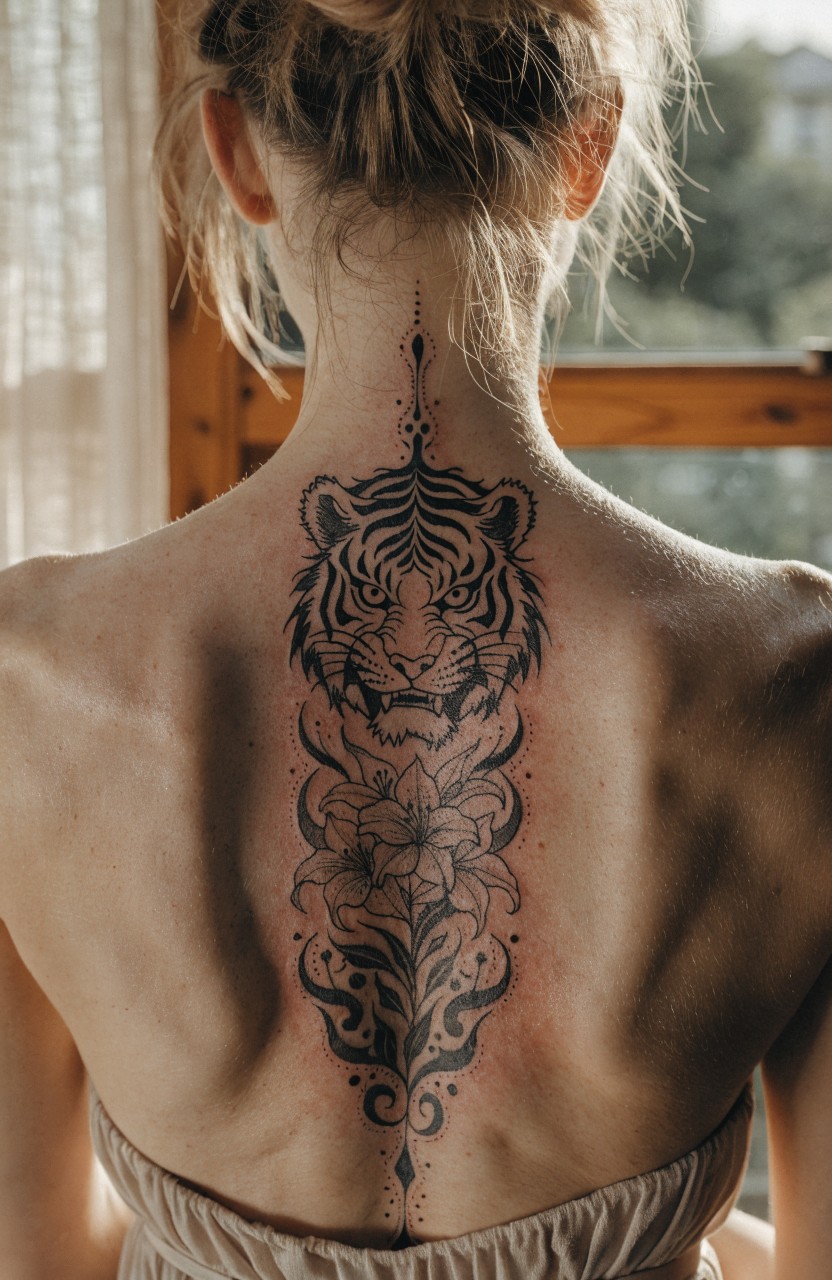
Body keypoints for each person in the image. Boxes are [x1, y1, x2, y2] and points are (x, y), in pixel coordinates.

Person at [0, 0, 829, 1276]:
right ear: (588, 147)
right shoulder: (796, 677)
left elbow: (40, 1254)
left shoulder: (27, 675)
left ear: (233, 151)